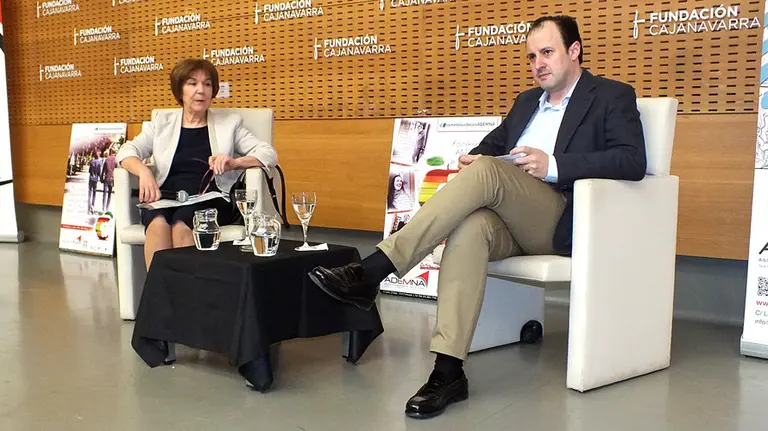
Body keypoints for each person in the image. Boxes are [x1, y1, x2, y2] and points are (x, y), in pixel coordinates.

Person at [308, 16, 646, 419]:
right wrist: (473, 156)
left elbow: (632, 160)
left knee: (486, 171)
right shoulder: (526, 103)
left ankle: (374, 270)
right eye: (532, 56)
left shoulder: (611, 95)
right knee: (470, 227)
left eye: (547, 52)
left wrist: (553, 164)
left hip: (561, 214)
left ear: (574, 51)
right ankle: (448, 371)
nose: (538, 63)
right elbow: (493, 146)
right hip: (509, 218)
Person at [117, 58, 277, 269]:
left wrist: (234, 162)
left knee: (183, 225)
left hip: (209, 197)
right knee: (157, 225)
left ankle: (189, 298)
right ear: (179, 90)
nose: (201, 90)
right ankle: (162, 299)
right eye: (192, 83)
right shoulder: (162, 124)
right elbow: (126, 151)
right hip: (167, 197)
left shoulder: (229, 124)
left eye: (207, 84)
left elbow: (268, 153)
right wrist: (143, 172)